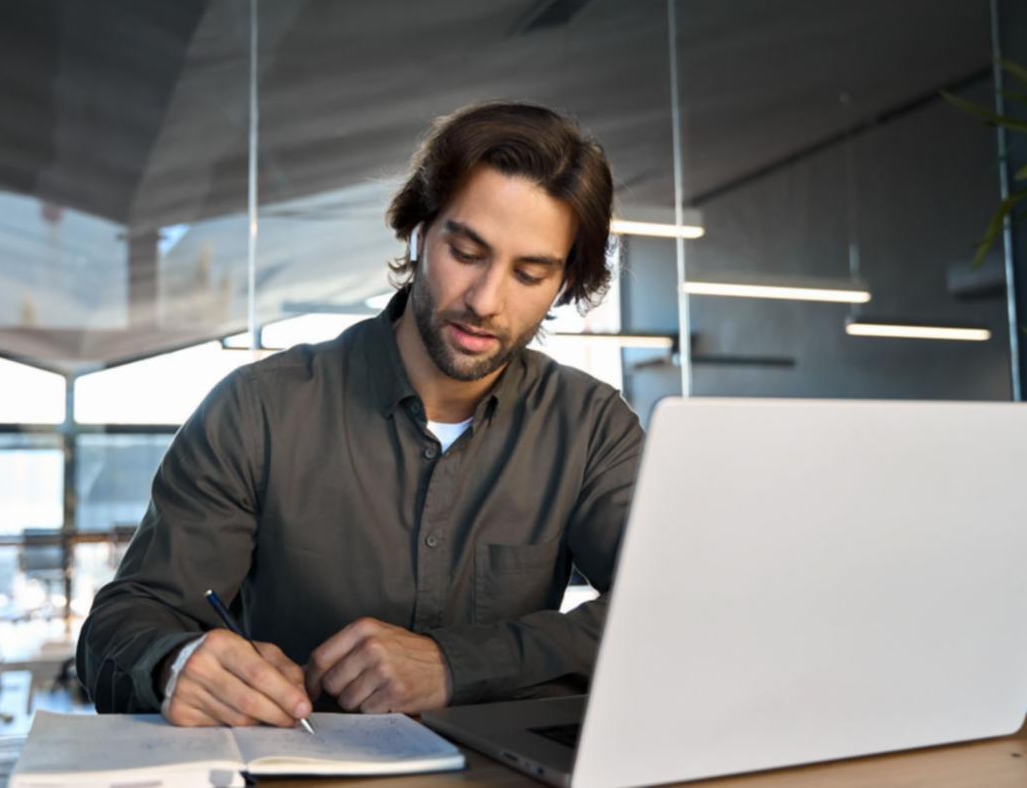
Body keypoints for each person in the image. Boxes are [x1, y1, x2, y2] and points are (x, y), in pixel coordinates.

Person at [76, 101, 644, 728]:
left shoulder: (592, 428)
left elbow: (669, 609)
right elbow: (123, 623)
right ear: (418, 231)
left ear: (563, 284)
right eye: (466, 251)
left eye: (530, 274)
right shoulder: (260, 408)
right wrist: (173, 664)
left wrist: (455, 663)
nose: (486, 301)